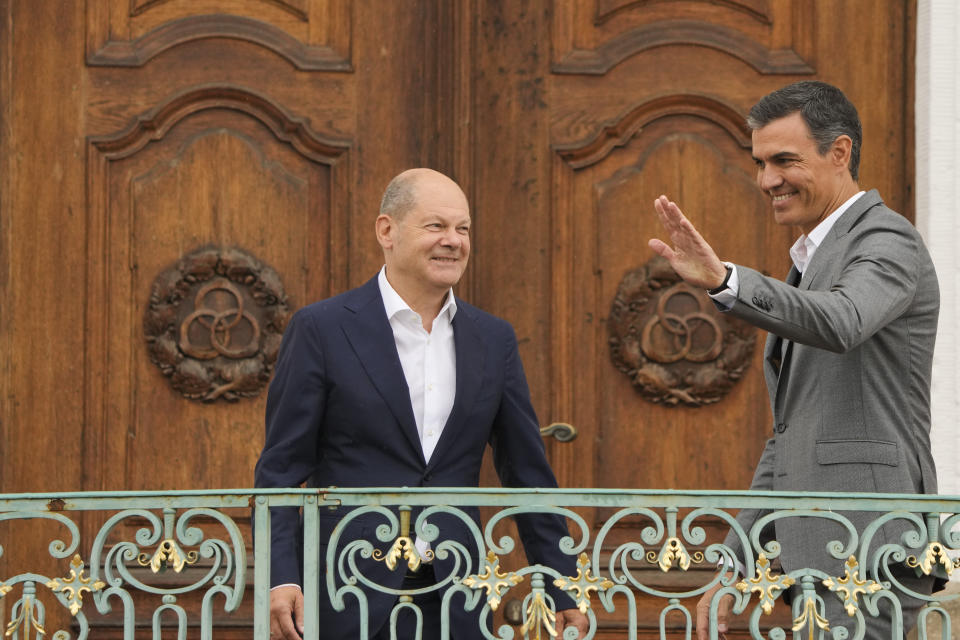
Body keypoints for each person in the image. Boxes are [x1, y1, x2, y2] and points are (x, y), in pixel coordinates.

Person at [648, 81, 940, 639]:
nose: (767, 180)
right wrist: (735, 559)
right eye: (759, 163)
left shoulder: (886, 238)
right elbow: (789, 436)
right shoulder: (810, 260)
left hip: (869, 543)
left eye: (784, 160)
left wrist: (726, 281)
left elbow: (844, 320)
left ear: (840, 152)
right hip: (816, 548)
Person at [254, 168, 589, 640]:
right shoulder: (322, 329)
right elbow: (281, 471)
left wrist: (561, 584)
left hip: (455, 594)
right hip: (345, 591)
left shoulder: (494, 339)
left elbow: (527, 471)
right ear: (386, 231)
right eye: (436, 226)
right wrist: (281, 577)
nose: (453, 241)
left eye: (463, 229)